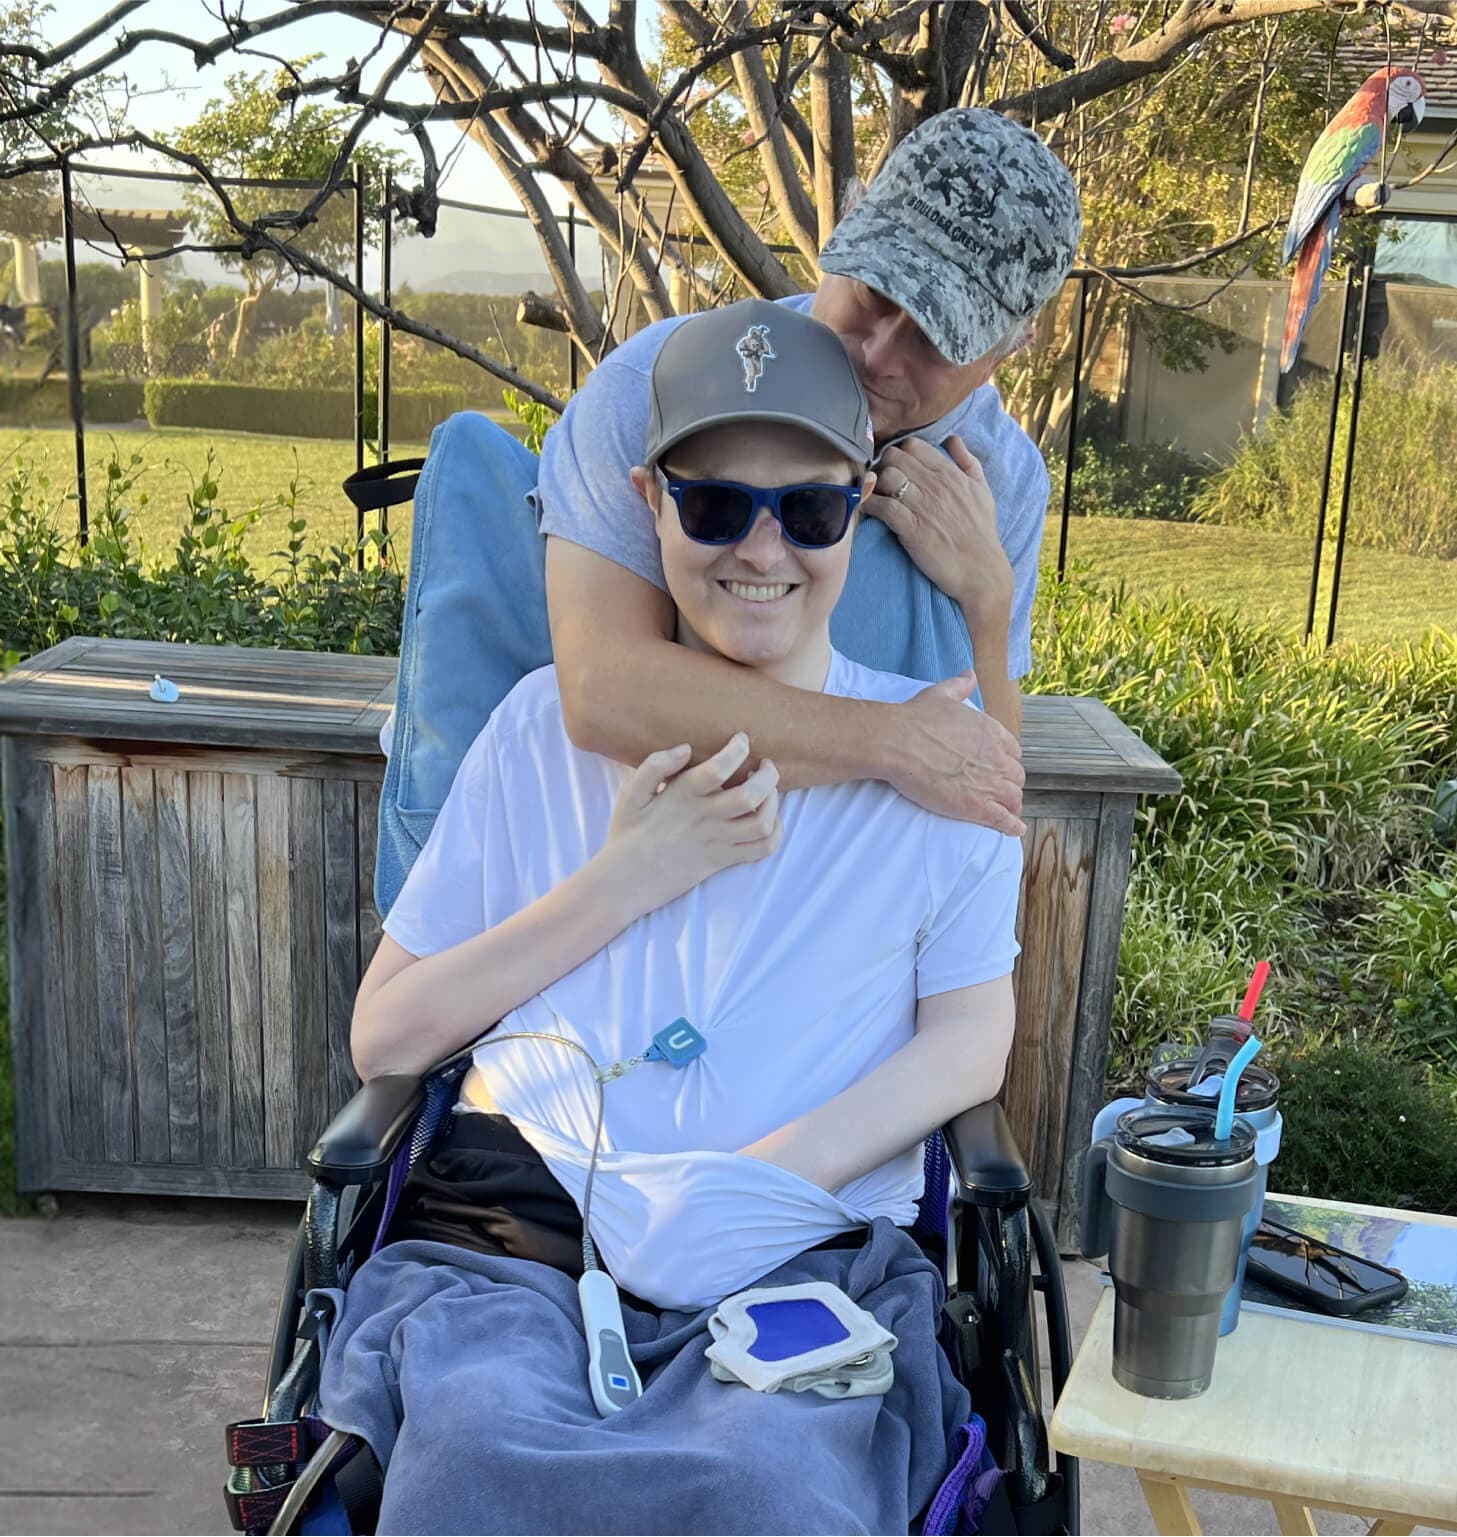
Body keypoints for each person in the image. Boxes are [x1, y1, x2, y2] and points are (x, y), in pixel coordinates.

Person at [322, 303, 1023, 1535]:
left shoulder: (930, 758)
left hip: (795, 1255)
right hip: (516, 1241)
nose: (762, 549)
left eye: (807, 508)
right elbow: (386, 1040)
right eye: (714, 506)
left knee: (765, 1498)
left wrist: (758, 1185)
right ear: (650, 500)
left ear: (856, 506)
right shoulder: (540, 730)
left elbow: (972, 1038)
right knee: (474, 1479)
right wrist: (626, 879)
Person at [539, 107, 1081, 841]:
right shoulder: (653, 388)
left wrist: (988, 597)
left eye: (936, 337)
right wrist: (894, 742)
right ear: (845, 233)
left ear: (1006, 351)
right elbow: (604, 691)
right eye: (873, 295)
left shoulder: (1005, 480)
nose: (879, 355)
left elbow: (989, 779)